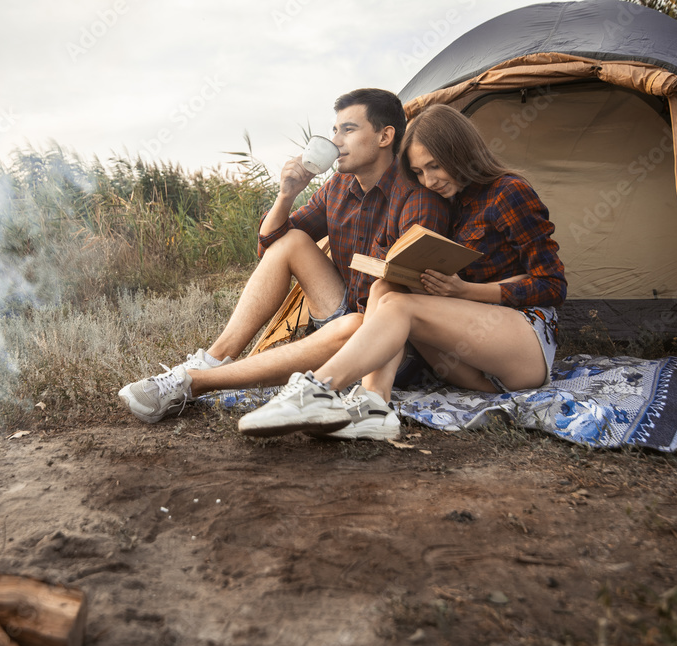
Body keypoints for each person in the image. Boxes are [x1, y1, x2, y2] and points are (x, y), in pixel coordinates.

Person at [118, 89, 452, 423]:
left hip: (391, 347)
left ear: (385, 136)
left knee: (357, 322)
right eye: (334, 130)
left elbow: (409, 296)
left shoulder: (417, 197)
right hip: (347, 313)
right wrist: (286, 195)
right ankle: (214, 359)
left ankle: (192, 384)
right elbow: (271, 248)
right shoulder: (337, 187)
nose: (335, 141)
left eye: (348, 130)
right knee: (293, 241)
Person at [237, 103, 567, 440]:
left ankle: (316, 389)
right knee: (386, 288)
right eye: (419, 172)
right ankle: (373, 407)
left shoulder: (508, 192)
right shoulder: (447, 201)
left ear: (461, 152)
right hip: (467, 362)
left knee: (399, 304)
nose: (430, 180)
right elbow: (271, 245)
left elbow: (553, 284)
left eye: (435, 166)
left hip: (521, 352)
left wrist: (466, 291)